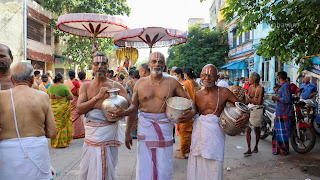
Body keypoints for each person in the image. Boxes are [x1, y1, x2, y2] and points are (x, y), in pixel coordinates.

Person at [110, 52, 196, 180]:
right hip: (145, 127)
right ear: (149, 64)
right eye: (154, 61)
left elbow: (190, 103)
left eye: (160, 61)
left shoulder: (172, 83)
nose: (157, 64)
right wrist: (127, 128)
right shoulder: (140, 84)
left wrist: (192, 112)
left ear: (164, 65)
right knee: (145, 164)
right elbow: (134, 108)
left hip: (165, 127)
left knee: (164, 164)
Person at [77, 52, 134, 179]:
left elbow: (132, 107)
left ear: (107, 66)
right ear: (92, 66)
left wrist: (124, 115)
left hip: (109, 133)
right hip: (92, 135)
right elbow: (79, 109)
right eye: (96, 63)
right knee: (91, 167)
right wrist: (97, 98)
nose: (99, 66)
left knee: (107, 167)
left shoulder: (116, 86)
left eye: (103, 64)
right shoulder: (86, 86)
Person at [187, 64, 249, 180]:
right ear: (201, 76)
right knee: (198, 161)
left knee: (215, 162)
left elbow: (240, 106)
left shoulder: (224, 92)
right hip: (200, 133)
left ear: (217, 78)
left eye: (211, 76)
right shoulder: (197, 95)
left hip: (216, 133)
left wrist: (245, 114)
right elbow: (193, 113)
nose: (207, 78)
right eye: (204, 75)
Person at [0, 62, 57, 179]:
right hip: (38, 154)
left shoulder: (1, 96)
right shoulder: (43, 97)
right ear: (32, 79)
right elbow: (52, 133)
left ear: (12, 79)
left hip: (8, 156)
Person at [174, 67, 197, 159]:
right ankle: (185, 148)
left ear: (185, 74)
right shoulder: (195, 83)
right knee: (189, 131)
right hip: (193, 108)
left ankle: (183, 153)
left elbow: (181, 95)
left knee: (184, 131)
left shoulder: (186, 84)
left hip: (185, 109)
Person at [48, 72, 74, 148]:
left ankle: (55, 142)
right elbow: (71, 97)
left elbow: (48, 95)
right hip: (63, 109)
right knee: (64, 124)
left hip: (53, 109)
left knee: (55, 124)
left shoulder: (50, 87)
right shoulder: (64, 87)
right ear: (61, 79)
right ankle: (63, 142)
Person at [271, 71, 292, 156]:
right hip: (279, 112)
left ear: (279, 78)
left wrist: (276, 98)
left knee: (283, 134)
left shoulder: (285, 86)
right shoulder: (282, 86)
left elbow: (286, 99)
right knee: (278, 132)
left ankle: (284, 150)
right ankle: (278, 149)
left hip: (284, 113)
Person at [244, 72, 264, 155]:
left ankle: (256, 146)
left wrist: (250, 100)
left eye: (250, 77)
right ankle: (249, 149)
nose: (249, 79)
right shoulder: (250, 87)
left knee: (257, 129)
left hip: (257, 110)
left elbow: (258, 102)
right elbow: (248, 98)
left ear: (254, 79)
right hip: (250, 109)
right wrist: (251, 100)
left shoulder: (260, 88)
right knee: (248, 130)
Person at [65, 70, 85, 139]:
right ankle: (77, 133)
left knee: (70, 115)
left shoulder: (66, 83)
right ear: (74, 75)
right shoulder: (76, 83)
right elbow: (79, 93)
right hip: (75, 100)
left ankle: (69, 132)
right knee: (77, 116)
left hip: (68, 101)